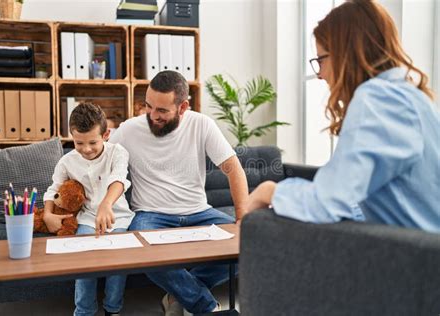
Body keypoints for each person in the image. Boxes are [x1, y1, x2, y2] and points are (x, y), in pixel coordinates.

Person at [246, 0, 440, 233]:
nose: (320, 74)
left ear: (345, 53)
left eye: (321, 60)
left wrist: (269, 190)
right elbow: (353, 196)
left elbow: (326, 203)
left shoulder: (377, 99)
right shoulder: (413, 98)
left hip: (419, 261)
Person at [109, 70, 248, 315]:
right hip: (151, 214)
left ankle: (178, 294)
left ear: (183, 107)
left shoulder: (201, 124)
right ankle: (206, 306)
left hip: (199, 212)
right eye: (148, 106)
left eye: (162, 111)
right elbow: (99, 160)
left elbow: (233, 169)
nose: (152, 116)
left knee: (251, 243)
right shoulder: (130, 130)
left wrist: (241, 218)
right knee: (140, 251)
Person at [43, 102, 134, 316]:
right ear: (71, 137)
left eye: (92, 142)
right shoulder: (67, 161)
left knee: (119, 262)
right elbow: (53, 188)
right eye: (79, 143)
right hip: (87, 219)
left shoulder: (118, 153)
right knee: (83, 261)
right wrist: (47, 214)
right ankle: (84, 311)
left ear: (106, 135)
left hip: (118, 218)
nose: (86, 149)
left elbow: (119, 179)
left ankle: (113, 309)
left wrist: (106, 204)